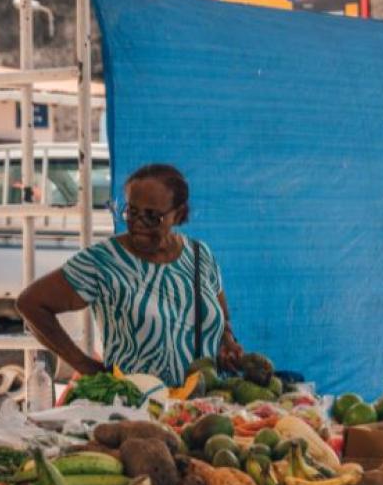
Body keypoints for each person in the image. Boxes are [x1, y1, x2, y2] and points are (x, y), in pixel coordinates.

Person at [17, 164, 243, 386]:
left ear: (179, 214)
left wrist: (227, 342)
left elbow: (223, 318)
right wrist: (85, 366)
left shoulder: (199, 255)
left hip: (205, 408)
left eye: (152, 216)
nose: (138, 224)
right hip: (137, 410)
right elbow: (31, 303)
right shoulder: (104, 261)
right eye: (131, 212)